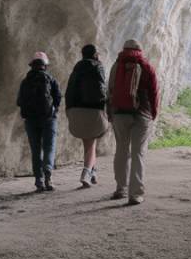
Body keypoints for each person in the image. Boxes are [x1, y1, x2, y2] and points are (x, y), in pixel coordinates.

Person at [107, 39, 159, 205]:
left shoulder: (116, 66)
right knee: (138, 153)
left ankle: (120, 188)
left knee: (121, 150)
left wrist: (110, 112)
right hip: (142, 114)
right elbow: (154, 92)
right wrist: (153, 112)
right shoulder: (146, 66)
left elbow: (110, 90)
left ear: (123, 49)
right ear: (140, 50)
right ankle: (135, 194)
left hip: (120, 114)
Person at [16, 51, 62, 192]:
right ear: (45, 66)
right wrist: (54, 110)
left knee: (36, 150)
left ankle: (39, 181)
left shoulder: (25, 81)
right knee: (49, 147)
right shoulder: (51, 79)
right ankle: (48, 171)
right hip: (49, 118)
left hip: (31, 120)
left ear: (32, 66)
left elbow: (19, 101)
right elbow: (58, 97)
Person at [65, 44, 109, 189]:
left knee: (88, 144)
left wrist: (68, 110)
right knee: (91, 143)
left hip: (75, 109)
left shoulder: (76, 69)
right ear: (95, 54)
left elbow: (69, 91)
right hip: (94, 110)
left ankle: (93, 171)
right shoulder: (98, 67)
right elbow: (102, 88)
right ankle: (86, 173)